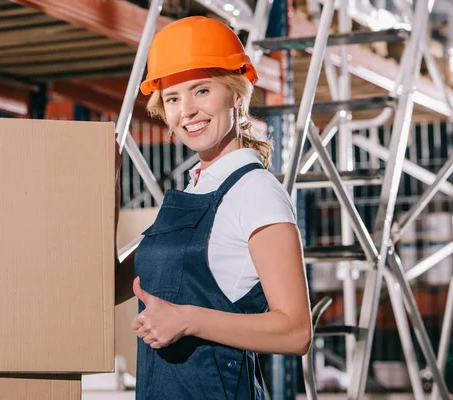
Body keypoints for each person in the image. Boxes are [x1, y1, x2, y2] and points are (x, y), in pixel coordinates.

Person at [114, 15, 312, 400]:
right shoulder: (194, 190)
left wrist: (186, 320)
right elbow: (106, 287)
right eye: (173, 98)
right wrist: (106, 190)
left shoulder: (255, 192)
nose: (186, 110)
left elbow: (296, 331)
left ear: (237, 94)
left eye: (201, 91)